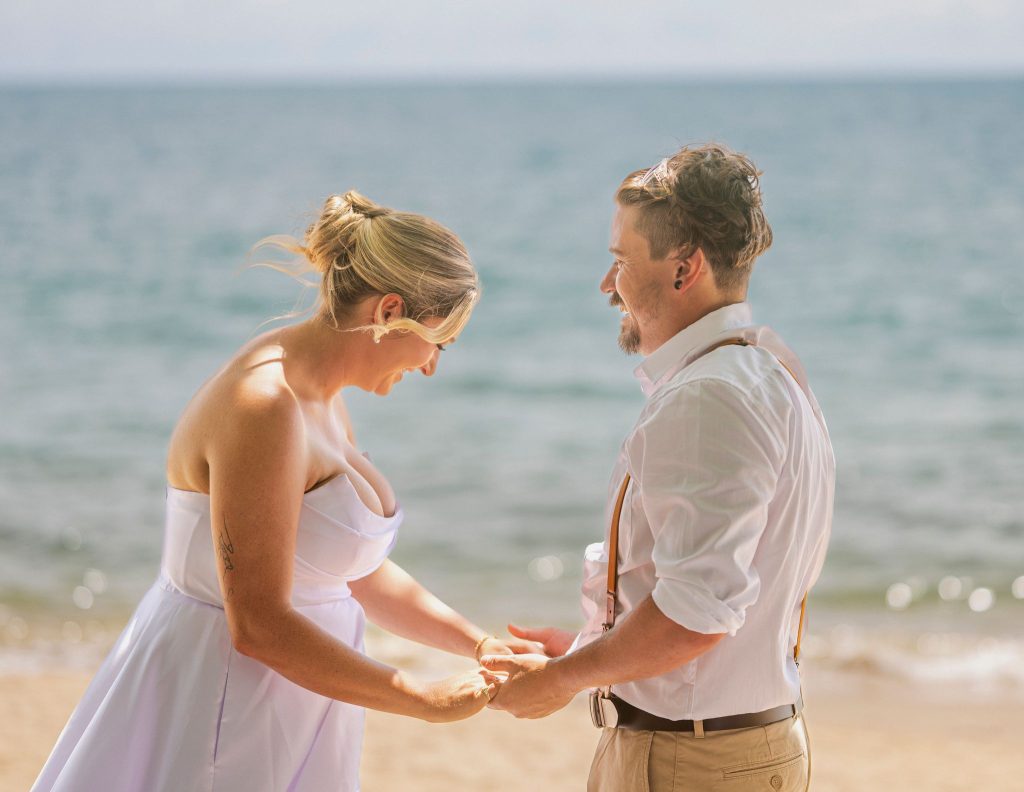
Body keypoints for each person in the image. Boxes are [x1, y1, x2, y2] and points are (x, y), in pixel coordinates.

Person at [32, 191, 540, 792]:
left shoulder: (322, 396)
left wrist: (477, 643)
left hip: (299, 699)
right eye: (440, 340)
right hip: (224, 700)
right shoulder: (265, 405)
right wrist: (419, 698)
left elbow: (353, 571)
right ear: (390, 311)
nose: (432, 366)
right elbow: (258, 623)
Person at [484, 144, 835, 792]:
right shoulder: (767, 373)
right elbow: (711, 605)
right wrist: (587, 653)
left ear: (684, 268)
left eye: (620, 262)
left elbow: (693, 616)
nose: (605, 283)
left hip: (692, 762)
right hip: (727, 747)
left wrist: (559, 683)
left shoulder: (710, 395)